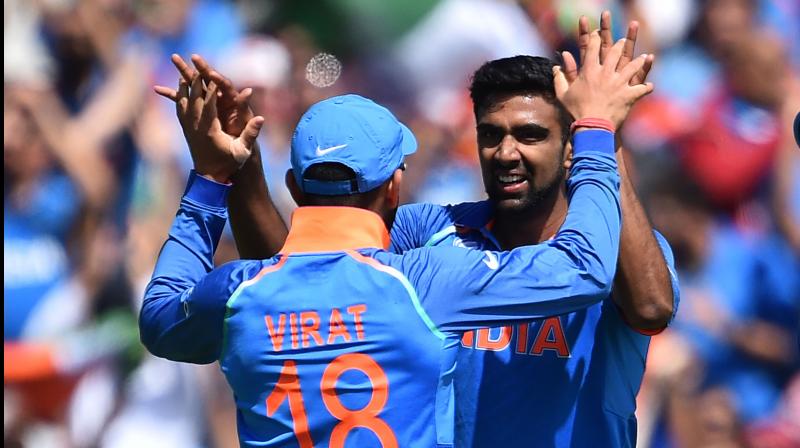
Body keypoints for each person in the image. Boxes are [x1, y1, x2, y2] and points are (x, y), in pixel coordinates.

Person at [186, 11, 679, 447]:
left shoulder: (608, 245)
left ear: (572, 147)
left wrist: (602, 131)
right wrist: (243, 168)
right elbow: (293, 276)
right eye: (491, 135)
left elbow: (652, 307)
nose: (506, 153)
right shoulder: (430, 231)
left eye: (530, 135)